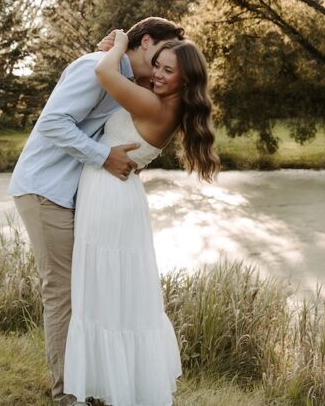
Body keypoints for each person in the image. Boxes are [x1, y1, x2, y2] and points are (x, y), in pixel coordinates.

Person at [8, 17, 186, 406]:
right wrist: (103, 156)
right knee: (62, 294)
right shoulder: (95, 66)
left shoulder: (127, 78)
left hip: (74, 194)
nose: (160, 69)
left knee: (87, 292)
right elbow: (54, 122)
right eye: (159, 57)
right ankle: (66, 395)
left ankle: (90, 383)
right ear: (145, 41)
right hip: (45, 188)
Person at [63, 30, 220, 406]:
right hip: (114, 193)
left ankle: (119, 390)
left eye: (169, 71)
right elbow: (124, 80)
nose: (159, 75)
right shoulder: (162, 102)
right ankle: (118, 387)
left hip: (110, 196)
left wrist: (118, 45)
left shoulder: (155, 105)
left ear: (186, 80)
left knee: (108, 291)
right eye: (157, 67)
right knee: (115, 293)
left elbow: (105, 74)